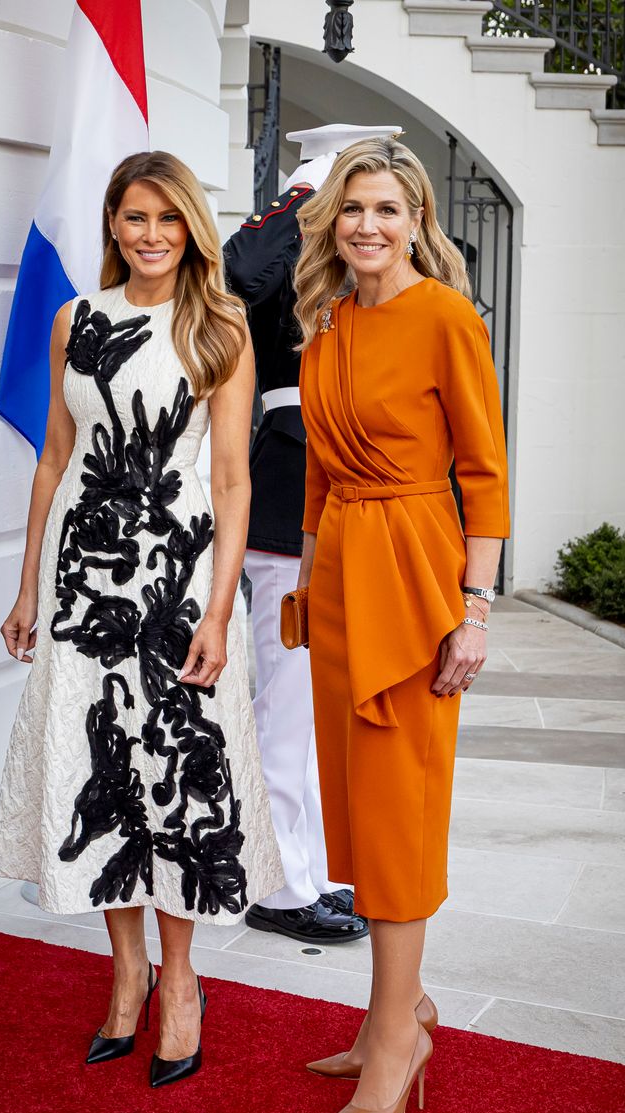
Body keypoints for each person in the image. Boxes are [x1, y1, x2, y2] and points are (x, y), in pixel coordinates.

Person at [0, 151, 284, 1087]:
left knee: (173, 779)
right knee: (101, 767)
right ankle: (127, 974)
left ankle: (181, 980)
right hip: (83, 584)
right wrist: (29, 588)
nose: (151, 235)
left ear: (191, 227)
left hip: (177, 586)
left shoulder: (220, 325)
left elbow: (231, 481)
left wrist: (220, 610)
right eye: (134, 218)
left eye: (167, 218)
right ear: (113, 225)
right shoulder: (76, 320)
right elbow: (53, 459)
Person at [293, 135, 510, 1113]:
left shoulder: (446, 318)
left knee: (399, 809)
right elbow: (317, 474)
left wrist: (474, 609)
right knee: (356, 807)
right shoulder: (325, 325)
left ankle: (395, 1039)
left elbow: (485, 474)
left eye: (387, 208)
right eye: (352, 208)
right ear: (331, 222)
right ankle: (398, 1007)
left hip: (417, 571)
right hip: (343, 573)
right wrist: (307, 584)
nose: (367, 225)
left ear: (418, 219)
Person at [225, 125, 399, 946]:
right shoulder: (283, 249)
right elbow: (237, 274)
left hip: (362, 497)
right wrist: (301, 194)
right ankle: (277, 883)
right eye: (345, 195)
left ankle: (320, 870)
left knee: (328, 710)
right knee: (287, 708)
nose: (358, 218)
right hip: (290, 497)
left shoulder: (357, 268)